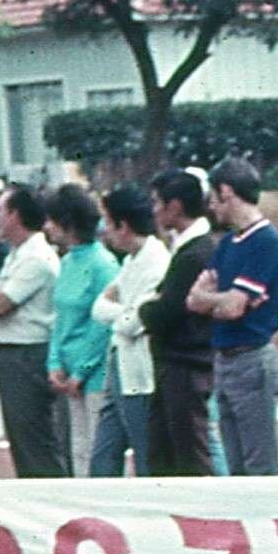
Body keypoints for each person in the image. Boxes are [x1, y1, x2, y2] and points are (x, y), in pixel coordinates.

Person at [188, 160, 278, 478]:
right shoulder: (229, 243)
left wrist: (213, 301)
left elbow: (230, 307)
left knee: (260, 465)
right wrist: (220, 301)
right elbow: (195, 300)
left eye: (214, 199)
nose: (212, 208)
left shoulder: (266, 240)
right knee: (237, 466)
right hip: (226, 361)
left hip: (251, 359)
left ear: (227, 192)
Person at [0, 185, 66, 479]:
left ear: (15, 215)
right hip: (13, 352)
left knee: (33, 438)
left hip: (26, 353)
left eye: (1, 210)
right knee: (22, 437)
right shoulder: (18, 254)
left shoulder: (36, 257)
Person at [86, 185, 169, 478]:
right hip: (119, 361)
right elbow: (100, 307)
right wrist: (124, 313)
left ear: (123, 225)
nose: (104, 231)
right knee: (103, 454)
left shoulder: (157, 262)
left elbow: (133, 323)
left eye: (108, 223)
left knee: (146, 454)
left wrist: (122, 314)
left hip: (141, 372)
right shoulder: (132, 260)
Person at [139, 169, 216, 476]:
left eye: (158, 202)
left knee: (189, 457)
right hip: (178, 364)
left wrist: (146, 308)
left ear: (175, 206)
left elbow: (166, 312)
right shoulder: (188, 248)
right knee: (169, 451)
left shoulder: (194, 253)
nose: (154, 209)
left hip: (185, 364)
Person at [42, 183, 115, 476]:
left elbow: (102, 326)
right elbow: (60, 319)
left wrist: (80, 372)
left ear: (67, 223)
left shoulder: (104, 264)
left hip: (94, 375)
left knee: (96, 451)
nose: (47, 227)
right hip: (68, 372)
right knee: (77, 451)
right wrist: (54, 363)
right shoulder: (67, 261)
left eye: (52, 220)